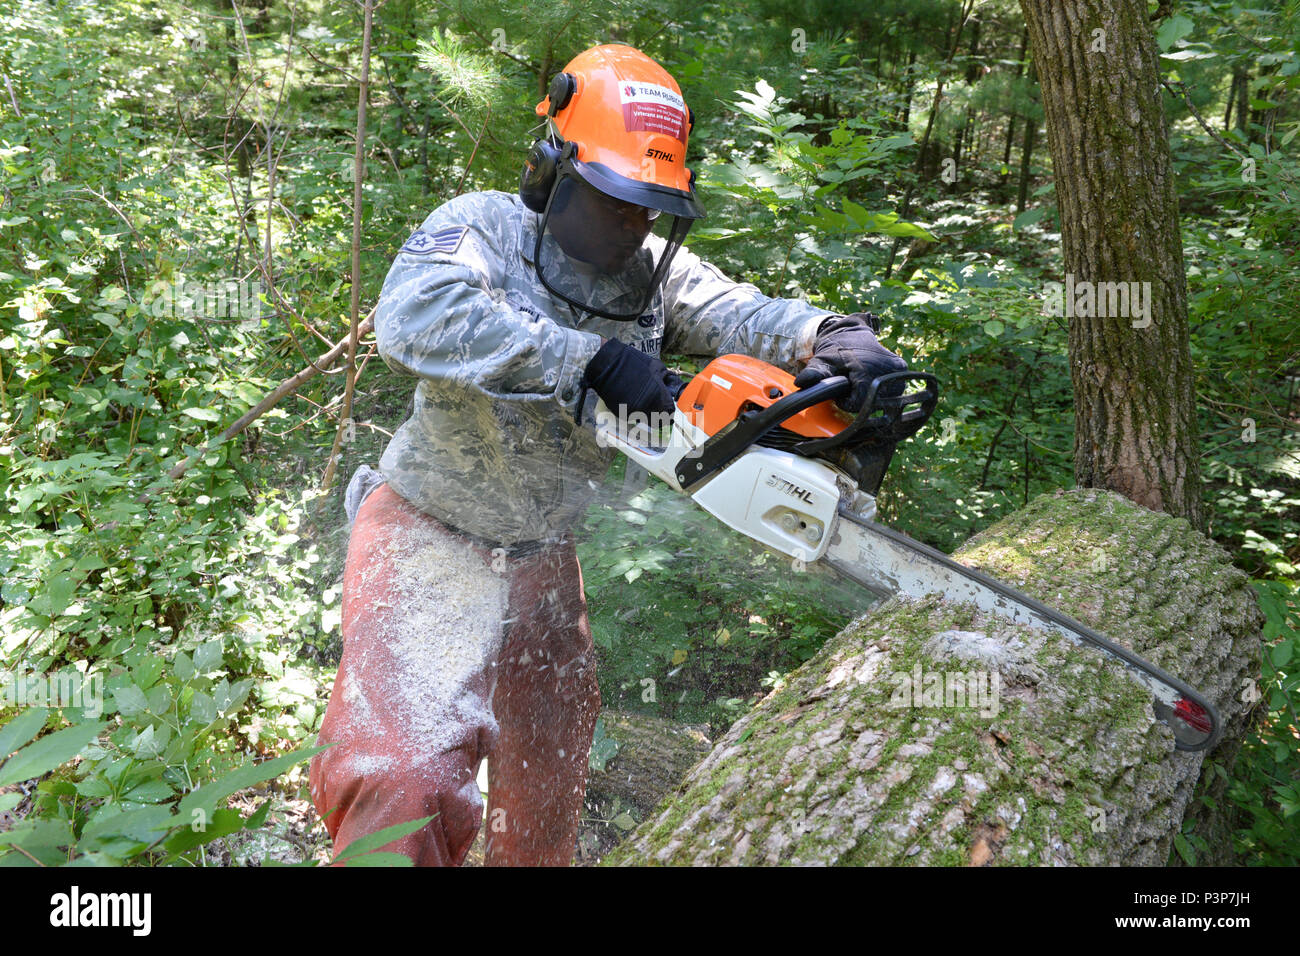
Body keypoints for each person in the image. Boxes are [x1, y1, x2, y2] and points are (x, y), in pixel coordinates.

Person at [308, 43, 907, 866]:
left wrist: (829, 335)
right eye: (618, 200)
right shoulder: (481, 229)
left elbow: (739, 310)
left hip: (544, 558)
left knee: (547, 767)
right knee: (402, 782)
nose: (636, 222)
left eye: (651, 206)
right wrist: (580, 360)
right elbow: (414, 318)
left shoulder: (650, 273)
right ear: (553, 172)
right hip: (430, 530)